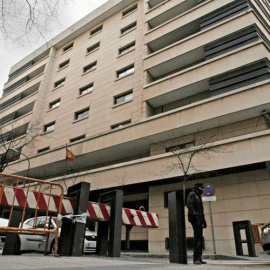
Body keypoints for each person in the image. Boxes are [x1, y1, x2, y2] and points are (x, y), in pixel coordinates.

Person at [186, 183, 207, 265]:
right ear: (198, 188)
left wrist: (204, 221)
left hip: (200, 219)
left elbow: (201, 210)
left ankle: (199, 258)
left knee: (200, 239)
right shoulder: (192, 194)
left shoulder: (199, 196)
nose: (203, 189)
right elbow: (189, 204)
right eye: (202, 188)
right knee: (197, 238)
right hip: (195, 219)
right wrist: (194, 214)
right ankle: (196, 259)